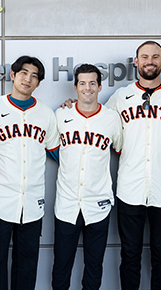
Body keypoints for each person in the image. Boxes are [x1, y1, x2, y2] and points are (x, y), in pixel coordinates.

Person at [63, 41, 161, 289]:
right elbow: (94, 115)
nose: (150, 61)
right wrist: (71, 105)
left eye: (155, 57)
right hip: (129, 189)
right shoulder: (121, 97)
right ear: (136, 61)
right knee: (130, 255)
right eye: (145, 57)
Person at [0, 56, 60, 290]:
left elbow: (56, 153)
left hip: (32, 203)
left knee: (27, 265)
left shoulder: (46, 113)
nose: (28, 79)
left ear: (38, 83)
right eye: (24, 73)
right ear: (13, 75)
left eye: (34, 76)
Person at [53, 64, 123, 290]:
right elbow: (52, 148)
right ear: (75, 87)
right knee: (62, 264)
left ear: (100, 86)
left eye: (92, 83)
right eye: (82, 83)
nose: (87, 88)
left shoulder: (112, 119)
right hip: (67, 202)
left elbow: (120, 149)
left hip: (98, 203)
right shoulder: (61, 114)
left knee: (94, 265)